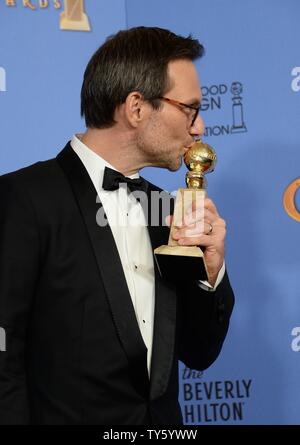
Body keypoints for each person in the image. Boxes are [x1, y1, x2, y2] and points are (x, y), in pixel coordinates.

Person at [0, 26, 234, 425]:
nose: (200, 128)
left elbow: (199, 353)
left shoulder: (167, 210)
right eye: (190, 109)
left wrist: (210, 274)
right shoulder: (23, 199)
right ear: (137, 107)